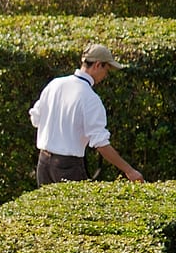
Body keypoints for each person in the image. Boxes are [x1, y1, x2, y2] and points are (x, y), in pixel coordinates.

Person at [28, 43, 144, 185]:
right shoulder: (90, 98)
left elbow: (35, 118)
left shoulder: (55, 84)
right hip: (68, 166)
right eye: (106, 70)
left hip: (43, 163)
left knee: (47, 207)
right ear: (97, 65)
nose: (106, 75)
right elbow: (100, 143)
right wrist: (129, 170)